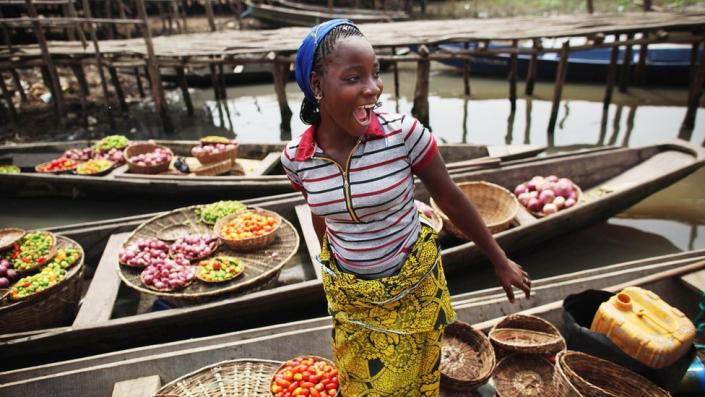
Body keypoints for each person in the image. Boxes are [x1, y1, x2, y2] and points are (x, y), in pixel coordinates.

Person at [281, 19, 531, 396]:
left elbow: (451, 199)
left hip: (411, 285)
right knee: (361, 384)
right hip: (353, 297)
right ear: (317, 86)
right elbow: (321, 214)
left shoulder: (404, 135)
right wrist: (331, 268)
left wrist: (499, 259)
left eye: (375, 74)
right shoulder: (296, 160)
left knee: (413, 379)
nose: (373, 89)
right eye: (354, 78)